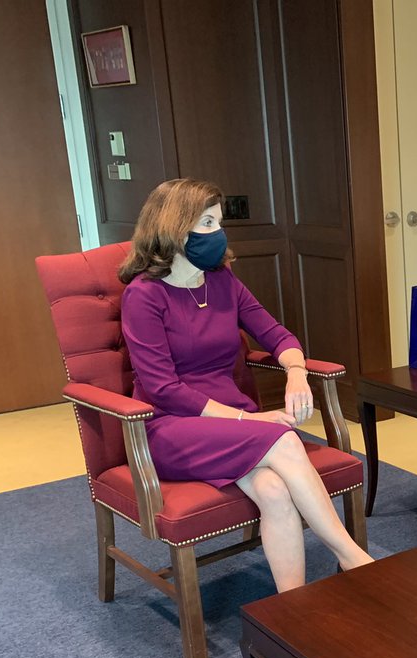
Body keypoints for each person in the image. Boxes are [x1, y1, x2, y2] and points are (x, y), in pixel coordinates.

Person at [118, 178, 373, 590]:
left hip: (230, 422)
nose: (217, 234)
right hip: (170, 426)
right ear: (173, 226)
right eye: (205, 223)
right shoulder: (143, 296)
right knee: (284, 439)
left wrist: (296, 373)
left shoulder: (221, 281)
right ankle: (354, 559)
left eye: (218, 222)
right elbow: (163, 388)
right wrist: (244, 419)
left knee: (273, 491)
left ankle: (294, 608)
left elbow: (278, 335)